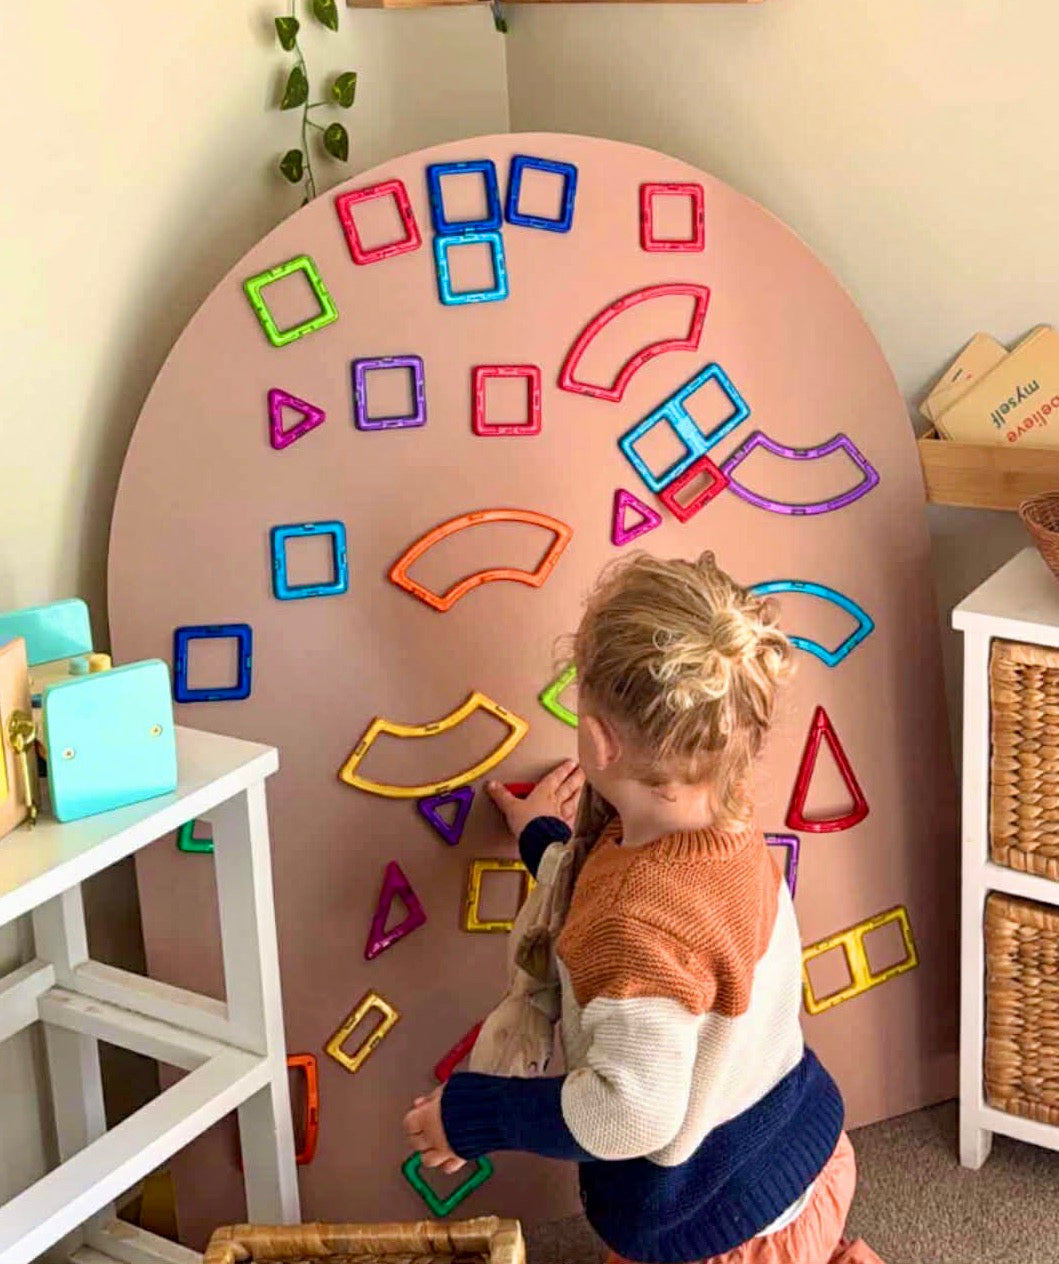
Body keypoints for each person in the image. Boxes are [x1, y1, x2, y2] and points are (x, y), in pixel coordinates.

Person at [404, 551, 882, 1264]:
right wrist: (539, 835)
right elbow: (601, 890)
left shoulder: (632, 925)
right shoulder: (724, 827)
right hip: (801, 1151)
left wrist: (474, 1114)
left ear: (596, 740)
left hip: (717, 1229)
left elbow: (629, 1114)